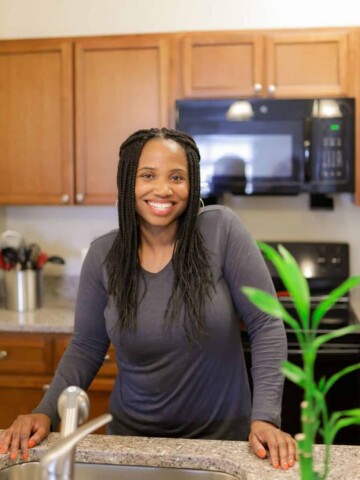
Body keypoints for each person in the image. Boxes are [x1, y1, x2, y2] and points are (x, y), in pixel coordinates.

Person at [0, 127, 296, 470]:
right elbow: (86, 345)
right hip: (133, 444)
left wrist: (265, 418)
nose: (163, 189)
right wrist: (44, 411)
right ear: (128, 182)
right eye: (148, 175)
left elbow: (266, 324)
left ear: (192, 183)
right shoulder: (103, 255)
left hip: (222, 444)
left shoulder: (221, 231)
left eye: (176, 177)